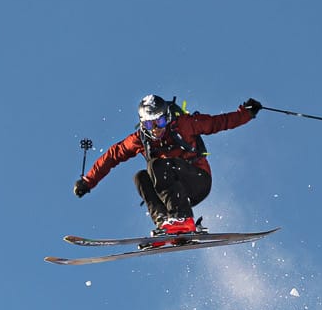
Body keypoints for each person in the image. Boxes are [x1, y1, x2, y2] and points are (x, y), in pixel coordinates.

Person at [75, 94, 262, 237]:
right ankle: (165, 223)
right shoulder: (139, 140)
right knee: (140, 177)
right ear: (142, 124)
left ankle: (182, 219)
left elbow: (218, 123)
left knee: (157, 165)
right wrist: (88, 181)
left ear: (167, 117)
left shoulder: (184, 125)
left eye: (160, 121)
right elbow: (112, 156)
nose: (156, 129)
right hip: (173, 192)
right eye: (150, 125)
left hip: (197, 180)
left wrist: (246, 113)